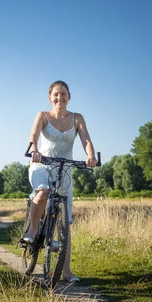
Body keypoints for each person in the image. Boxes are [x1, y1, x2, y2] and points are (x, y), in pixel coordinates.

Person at [23, 81, 97, 283]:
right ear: (50, 97)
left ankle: (66, 271)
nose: (59, 98)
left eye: (63, 94)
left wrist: (90, 156)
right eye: (56, 94)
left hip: (65, 170)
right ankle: (32, 230)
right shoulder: (43, 116)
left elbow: (86, 140)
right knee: (42, 192)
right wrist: (34, 150)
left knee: (65, 222)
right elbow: (33, 135)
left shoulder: (77, 118)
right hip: (42, 165)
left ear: (69, 96)